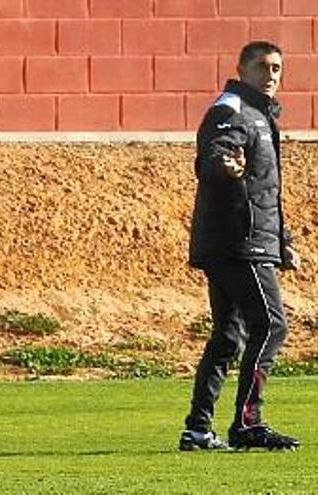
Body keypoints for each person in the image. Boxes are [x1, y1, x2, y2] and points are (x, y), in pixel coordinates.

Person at [181, 40, 300, 451]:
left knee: (229, 336)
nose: (271, 76)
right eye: (263, 67)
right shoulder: (232, 108)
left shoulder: (261, 117)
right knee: (272, 326)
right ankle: (249, 423)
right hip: (238, 242)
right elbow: (213, 153)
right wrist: (221, 165)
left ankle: (198, 429)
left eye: (277, 69)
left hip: (248, 241)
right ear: (242, 69)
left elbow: (265, 189)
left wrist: (283, 241)